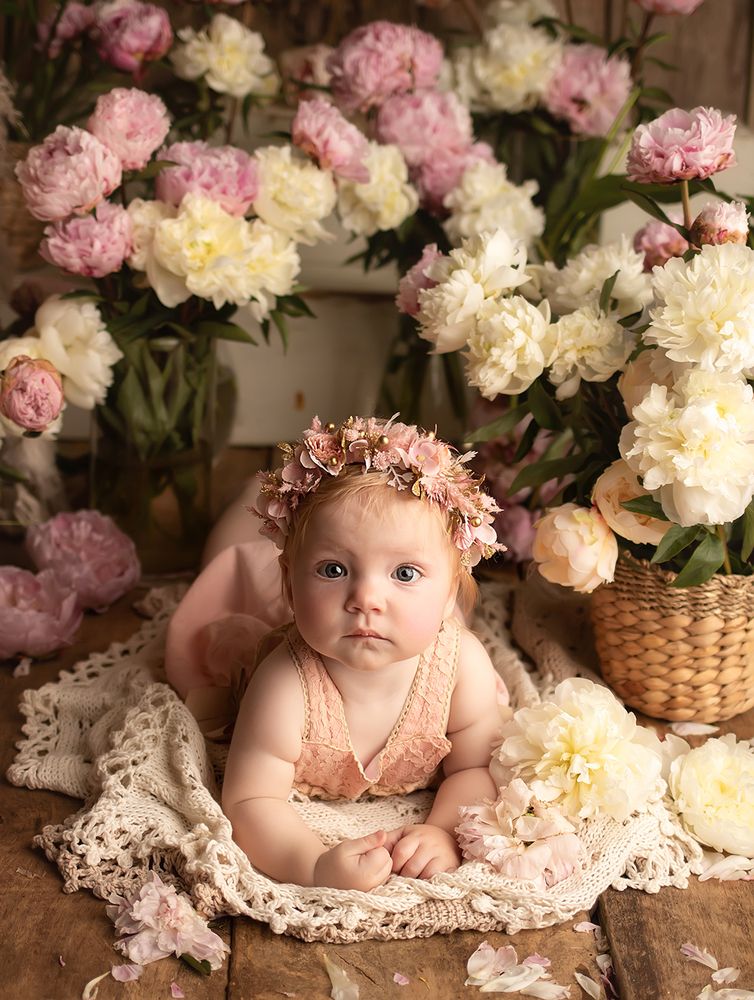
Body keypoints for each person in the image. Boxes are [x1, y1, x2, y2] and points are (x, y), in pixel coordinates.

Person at [219, 414, 510, 890]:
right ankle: (235, 510)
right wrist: (312, 864)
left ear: (450, 593)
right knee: (227, 563)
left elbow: (476, 768)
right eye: (333, 570)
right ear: (290, 587)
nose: (366, 599)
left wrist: (443, 832)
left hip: (439, 638)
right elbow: (250, 801)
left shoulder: (462, 669)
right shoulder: (284, 684)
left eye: (405, 573)